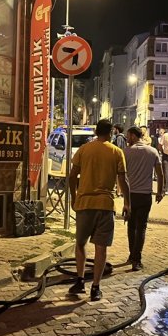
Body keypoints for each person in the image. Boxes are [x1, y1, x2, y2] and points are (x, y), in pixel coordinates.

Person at [69, 119, 130, 301]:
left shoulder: (84, 150)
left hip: (85, 203)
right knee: (101, 248)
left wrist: (74, 197)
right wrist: (127, 203)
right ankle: (95, 287)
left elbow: (72, 177)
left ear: (96, 132)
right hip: (105, 205)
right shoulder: (117, 152)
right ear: (110, 132)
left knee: (80, 244)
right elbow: (123, 181)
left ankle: (80, 280)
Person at [123, 126, 164, 271]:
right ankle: (137, 258)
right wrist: (160, 192)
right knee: (141, 228)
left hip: (130, 195)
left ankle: (132, 255)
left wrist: (121, 193)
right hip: (145, 195)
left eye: (128, 136)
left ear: (134, 136)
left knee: (131, 226)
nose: (127, 139)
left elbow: (121, 175)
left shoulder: (126, 152)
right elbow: (160, 174)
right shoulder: (152, 151)